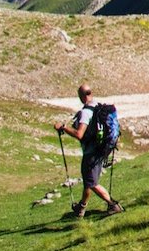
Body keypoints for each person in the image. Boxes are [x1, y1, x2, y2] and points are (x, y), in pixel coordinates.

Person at [53, 83, 124, 217]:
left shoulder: (86, 112)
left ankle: (113, 205)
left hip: (91, 152)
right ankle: (81, 208)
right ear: (90, 93)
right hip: (100, 149)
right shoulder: (97, 106)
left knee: (92, 183)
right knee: (88, 180)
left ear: (81, 96)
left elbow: (79, 134)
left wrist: (64, 128)